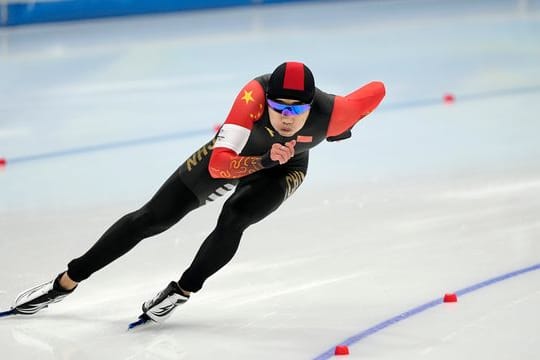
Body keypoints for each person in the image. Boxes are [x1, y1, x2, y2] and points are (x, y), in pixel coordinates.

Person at [7, 61, 385, 323]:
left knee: (235, 219)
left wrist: (338, 132)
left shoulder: (336, 111)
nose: (287, 117)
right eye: (278, 107)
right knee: (152, 218)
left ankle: (182, 290)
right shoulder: (249, 101)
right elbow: (220, 166)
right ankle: (66, 282)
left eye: (297, 109)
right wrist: (264, 159)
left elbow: (377, 91)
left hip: (286, 168)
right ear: (265, 100)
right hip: (241, 156)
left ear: (312, 104)